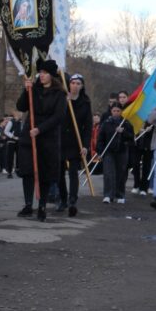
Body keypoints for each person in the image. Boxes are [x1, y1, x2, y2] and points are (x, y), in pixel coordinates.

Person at [15, 60, 65, 221]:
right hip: (29, 136)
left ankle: (42, 205)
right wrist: (26, 90)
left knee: (45, 173)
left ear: (52, 75)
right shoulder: (34, 89)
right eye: (40, 72)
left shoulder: (59, 94)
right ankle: (28, 204)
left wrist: (40, 129)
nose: (41, 75)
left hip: (47, 137)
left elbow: (58, 117)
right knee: (27, 170)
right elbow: (21, 106)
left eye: (45, 73)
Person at [57, 73, 92, 216]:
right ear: (69, 84)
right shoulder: (62, 99)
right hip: (61, 140)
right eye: (73, 83)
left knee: (73, 172)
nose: (75, 86)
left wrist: (85, 145)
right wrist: (64, 104)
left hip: (76, 141)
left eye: (78, 83)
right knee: (59, 172)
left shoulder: (85, 103)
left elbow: (88, 126)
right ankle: (63, 199)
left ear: (82, 86)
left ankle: (72, 200)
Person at [97, 101, 133, 204]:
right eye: (114, 111)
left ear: (121, 111)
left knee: (121, 174)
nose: (116, 113)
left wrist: (123, 132)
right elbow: (100, 139)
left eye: (118, 111)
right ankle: (108, 195)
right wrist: (100, 152)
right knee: (108, 173)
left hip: (122, 152)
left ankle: (120, 194)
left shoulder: (126, 123)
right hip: (108, 152)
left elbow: (132, 138)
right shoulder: (106, 123)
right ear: (111, 111)